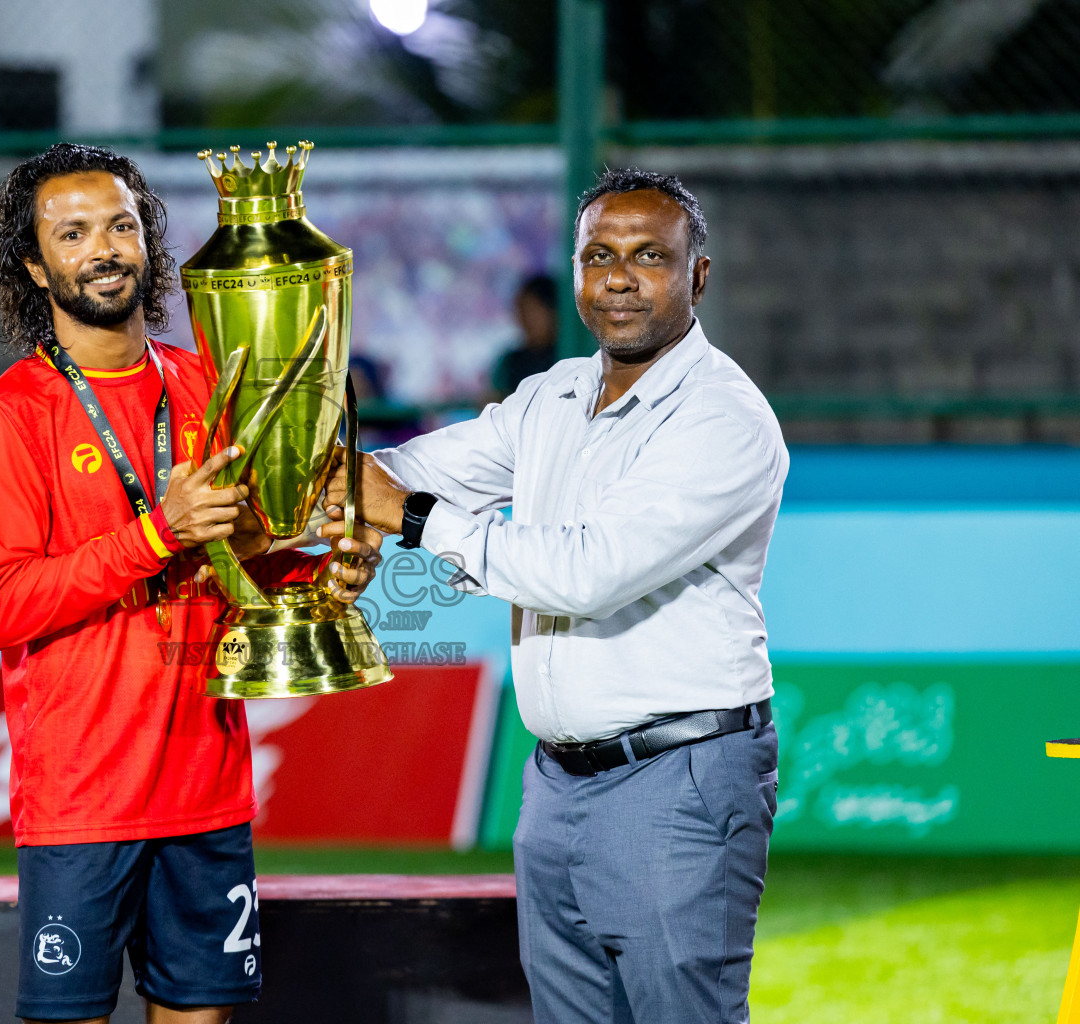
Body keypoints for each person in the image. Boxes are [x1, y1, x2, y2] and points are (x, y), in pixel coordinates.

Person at [330, 168, 788, 1023]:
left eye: (650, 256)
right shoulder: (553, 396)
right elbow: (411, 471)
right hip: (556, 787)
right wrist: (335, 498)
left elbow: (587, 572)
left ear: (698, 274)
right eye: (598, 255)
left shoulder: (722, 419)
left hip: (678, 783)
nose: (619, 277)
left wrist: (410, 518)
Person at [0, 143, 382, 1024]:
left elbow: (242, 557)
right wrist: (155, 531)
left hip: (205, 788)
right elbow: (3, 606)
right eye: (71, 234)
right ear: (35, 266)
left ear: (149, 242)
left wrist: (319, 572)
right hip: (82, 799)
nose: (103, 248)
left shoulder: (202, 383)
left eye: (120, 225)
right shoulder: (9, 415)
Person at [487, 273, 559, 403]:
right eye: (521, 311)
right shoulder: (510, 363)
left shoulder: (569, 356)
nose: (524, 320)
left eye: (532, 311)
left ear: (552, 312)